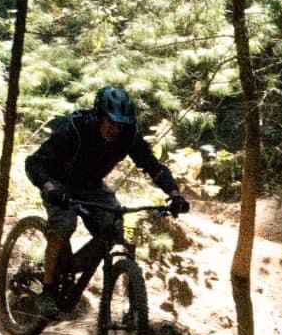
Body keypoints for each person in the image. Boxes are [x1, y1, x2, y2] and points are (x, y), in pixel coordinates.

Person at [25, 85, 190, 316]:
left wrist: (174, 194)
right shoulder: (74, 129)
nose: (116, 129)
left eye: (121, 124)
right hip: (58, 182)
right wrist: (50, 188)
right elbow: (33, 163)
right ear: (98, 116)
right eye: (111, 122)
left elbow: (153, 166)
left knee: (114, 228)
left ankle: (71, 266)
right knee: (64, 224)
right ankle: (48, 290)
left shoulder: (128, 135)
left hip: (91, 185)